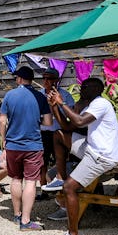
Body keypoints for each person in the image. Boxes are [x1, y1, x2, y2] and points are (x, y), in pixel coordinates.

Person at [46, 78, 118, 235]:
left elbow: (79, 122)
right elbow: (67, 127)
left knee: (69, 188)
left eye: (85, 86)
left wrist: (62, 102)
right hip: (91, 148)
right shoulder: (88, 105)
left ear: (96, 89)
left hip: (102, 155)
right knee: (58, 135)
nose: (81, 88)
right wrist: (54, 106)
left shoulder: (101, 103)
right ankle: (60, 176)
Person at [0, 66, 52, 231]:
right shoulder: (40, 97)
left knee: (15, 179)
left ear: (20, 79)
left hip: (13, 145)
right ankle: (26, 221)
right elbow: (48, 122)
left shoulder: (9, 95)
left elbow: (2, 121)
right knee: (30, 181)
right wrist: (37, 122)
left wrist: (4, 141)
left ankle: (16, 214)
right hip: (33, 145)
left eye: (16, 78)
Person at [38, 67, 75, 198]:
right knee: (42, 162)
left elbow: (70, 115)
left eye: (50, 78)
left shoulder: (65, 95)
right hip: (43, 132)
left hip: (59, 132)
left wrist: (57, 104)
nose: (46, 81)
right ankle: (43, 189)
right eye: (44, 78)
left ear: (57, 80)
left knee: (61, 161)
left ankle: (63, 190)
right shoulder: (39, 94)